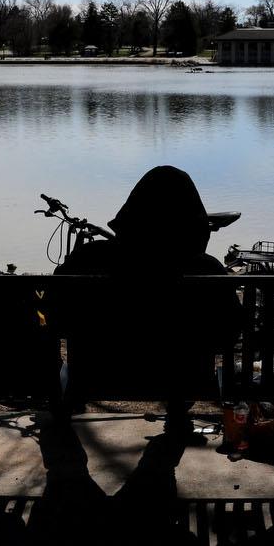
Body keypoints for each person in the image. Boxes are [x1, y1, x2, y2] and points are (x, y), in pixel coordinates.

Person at [52, 166, 235, 433]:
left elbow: (57, 316)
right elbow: (227, 334)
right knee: (186, 360)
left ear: (131, 208)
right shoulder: (208, 269)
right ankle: (177, 415)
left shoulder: (88, 257)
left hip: (98, 374)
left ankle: (67, 420)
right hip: (182, 380)